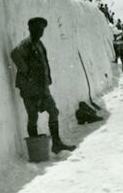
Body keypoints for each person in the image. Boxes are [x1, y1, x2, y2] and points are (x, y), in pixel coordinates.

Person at [10, 17, 75, 153]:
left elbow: (44, 62)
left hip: (42, 88)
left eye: (42, 30)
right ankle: (35, 149)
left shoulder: (39, 44)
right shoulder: (26, 44)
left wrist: (48, 77)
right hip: (30, 89)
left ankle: (56, 143)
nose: (40, 32)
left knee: (53, 111)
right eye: (38, 29)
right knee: (33, 116)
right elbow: (14, 54)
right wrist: (26, 70)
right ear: (31, 29)